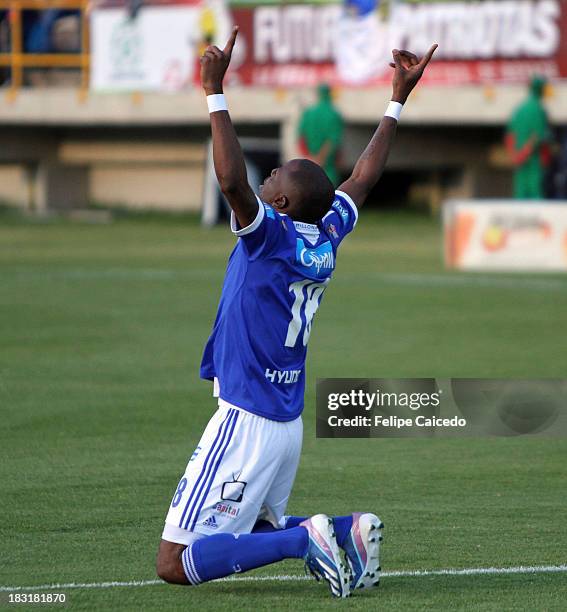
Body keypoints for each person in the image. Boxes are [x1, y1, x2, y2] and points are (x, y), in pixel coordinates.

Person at [156, 27, 437, 599]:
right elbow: (363, 178)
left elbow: (231, 179)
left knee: (176, 561)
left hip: (247, 417)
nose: (268, 176)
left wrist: (214, 92)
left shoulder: (271, 236)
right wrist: (397, 101)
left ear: (280, 202)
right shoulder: (325, 233)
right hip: (285, 422)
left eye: (277, 175)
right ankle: (342, 534)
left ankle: (308, 538)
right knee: (252, 528)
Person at [505, 76, 553, 199]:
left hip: (519, 158)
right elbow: (538, 136)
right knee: (535, 191)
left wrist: (514, 155)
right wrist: (524, 153)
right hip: (533, 160)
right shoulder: (538, 109)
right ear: (540, 90)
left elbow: (510, 136)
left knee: (520, 192)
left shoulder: (519, 109)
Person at [298, 83, 343, 186]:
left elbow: (301, 139)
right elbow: (333, 141)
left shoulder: (308, 113)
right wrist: (320, 160)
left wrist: (309, 159)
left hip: (309, 166)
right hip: (328, 169)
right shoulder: (334, 114)